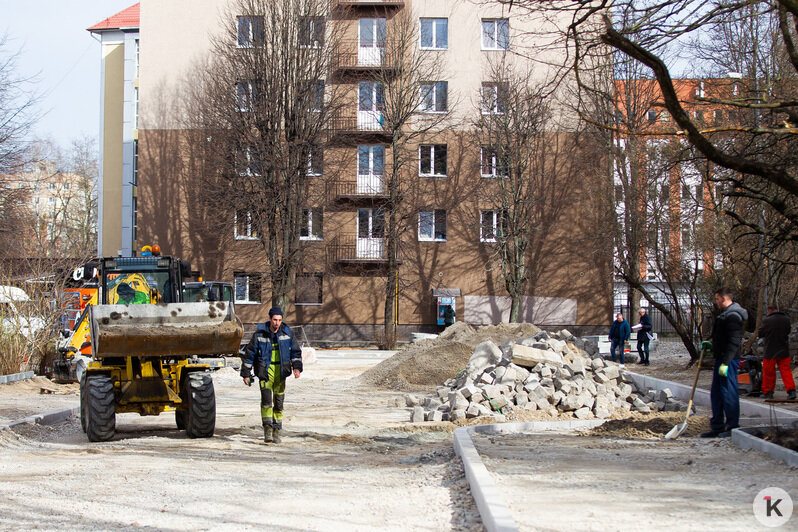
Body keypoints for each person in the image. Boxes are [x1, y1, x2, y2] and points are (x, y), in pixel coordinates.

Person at [240, 306, 302, 443]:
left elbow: (296, 353)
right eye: (274, 320)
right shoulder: (259, 334)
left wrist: (297, 368)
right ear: (269, 319)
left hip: (281, 374)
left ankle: (277, 430)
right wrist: (246, 373)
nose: (277, 323)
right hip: (265, 373)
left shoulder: (287, 334)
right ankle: (267, 430)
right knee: (266, 402)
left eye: (279, 320)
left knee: (279, 404)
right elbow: (249, 354)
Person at [702, 287, 748, 438]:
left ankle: (732, 426)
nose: (715, 302)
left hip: (729, 360)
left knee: (728, 392)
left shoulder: (733, 316)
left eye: (717, 299)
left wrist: (726, 362)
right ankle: (717, 426)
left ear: (724, 298)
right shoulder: (724, 314)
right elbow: (722, 337)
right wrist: (711, 344)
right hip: (721, 358)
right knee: (717, 393)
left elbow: (734, 342)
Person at [757, 303, 796, 400]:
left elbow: (760, 333)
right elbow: (788, 331)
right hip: (783, 350)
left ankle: (768, 392)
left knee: (769, 373)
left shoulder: (767, 321)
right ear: (777, 309)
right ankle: (791, 391)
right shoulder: (786, 319)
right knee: (786, 372)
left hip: (770, 351)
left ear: (769, 310)